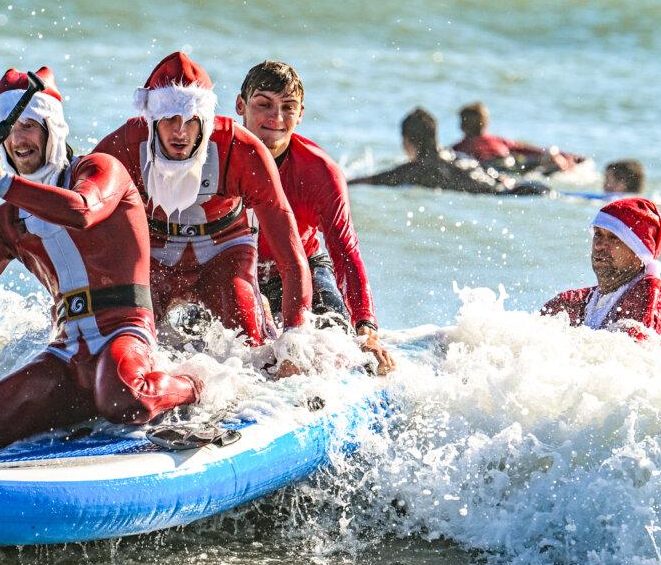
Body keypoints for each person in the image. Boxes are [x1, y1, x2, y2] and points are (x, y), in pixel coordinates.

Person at [0, 66, 200, 452]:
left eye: (29, 126)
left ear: (53, 131)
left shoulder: (100, 170)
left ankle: (193, 383)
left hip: (125, 331)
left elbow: (82, 210)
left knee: (125, 399)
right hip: (67, 350)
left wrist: (1, 183)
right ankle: (91, 404)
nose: (17, 139)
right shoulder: (6, 220)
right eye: (9, 129)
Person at [93, 51, 310, 347]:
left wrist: (295, 343)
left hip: (223, 254)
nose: (180, 131)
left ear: (206, 121)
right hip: (150, 257)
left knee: (251, 349)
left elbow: (291, 258)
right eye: (169, 118)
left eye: (191, 120)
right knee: (126, 344)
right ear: (151, 120)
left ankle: (263, 317)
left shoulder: (241, 150)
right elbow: (78, 223)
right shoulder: (124, 146)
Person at [235, 60, 395, 374]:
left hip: (302, 269)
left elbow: (345, 253)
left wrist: (365, 328)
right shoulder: (214, 159)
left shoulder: (320, 172)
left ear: (301, 113)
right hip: (231, 273)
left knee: (338, 344)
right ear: (240, 105)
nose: (276, 118)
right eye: (263, 104)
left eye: (288, 107)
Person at [541, 197, 661, 356]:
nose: (599, 245)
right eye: (598, 234)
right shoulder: (573, 301)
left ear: (638, 251)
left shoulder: (653, 292)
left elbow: (630, 361)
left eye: (614, 237)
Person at [349, 107, 542, 195]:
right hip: (517, 187)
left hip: (507, 194)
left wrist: (344, 181)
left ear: (408, 140)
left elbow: (373, 180)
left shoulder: (418, 168)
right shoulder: (453, 155)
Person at [451, 102, 583, 174]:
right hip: (511, 162)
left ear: (463, 124)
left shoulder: (460, 146)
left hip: (491, 168)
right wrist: (567, 154)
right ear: (486, 123)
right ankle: (558, 159)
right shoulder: (499, 141)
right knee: (548, 155)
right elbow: (528, 149)